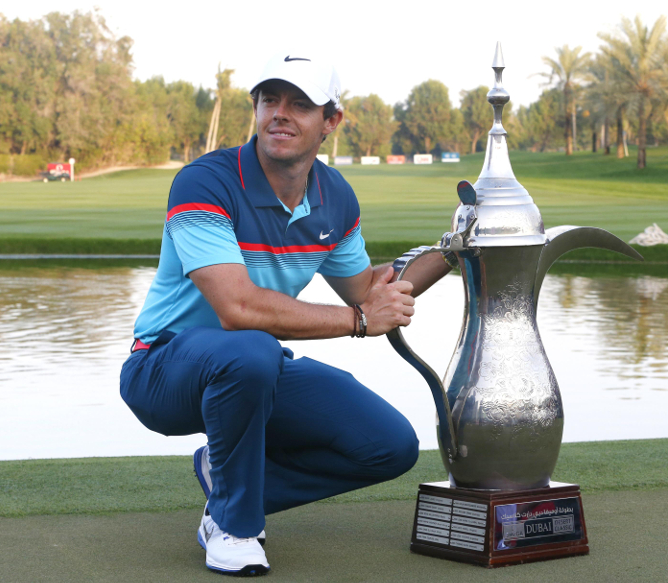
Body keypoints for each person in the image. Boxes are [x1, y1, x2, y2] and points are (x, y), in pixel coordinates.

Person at [119, 52, 451, 577]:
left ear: (330, 122)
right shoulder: (204, 183)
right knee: (251, 346)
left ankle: (228, 483)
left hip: (254, 368)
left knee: (389, 446)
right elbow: (239, 308)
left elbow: (365, 289)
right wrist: (360, 322)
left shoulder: (334, 197)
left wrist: (457, 248)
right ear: (255, 109)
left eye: (300, 104)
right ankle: (234, 526)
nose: (280, 113)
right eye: (270, 100)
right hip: (162, 370)